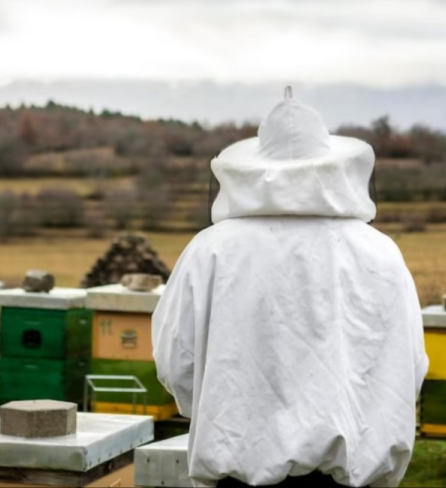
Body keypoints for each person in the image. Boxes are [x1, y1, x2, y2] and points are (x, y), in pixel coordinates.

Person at [152, 87, 428, 488]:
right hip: (353, 478)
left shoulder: (209, 251)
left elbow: (177, 362)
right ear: (334, 168)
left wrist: (225, 415)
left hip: (240, 476)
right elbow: (409, 368)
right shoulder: (381, 253)